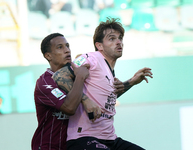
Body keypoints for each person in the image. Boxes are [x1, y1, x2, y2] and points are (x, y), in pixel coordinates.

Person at [53, 18, 153, 150]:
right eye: (112, 39)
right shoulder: (91, 58)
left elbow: (108, 99)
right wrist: (86, 100)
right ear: (99, 45)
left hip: (110, 139)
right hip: (83, 138)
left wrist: (132, 82)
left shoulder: (108, 69)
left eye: (120, 38)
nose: (119, 42)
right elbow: (59, 76)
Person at [31, 33, 102, 150]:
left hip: (74, 146)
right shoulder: (45, 83)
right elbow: (69, 108)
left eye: (67, 46)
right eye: (60, 47)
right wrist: (80, 77)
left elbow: (99, 101)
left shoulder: (77, 75)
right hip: (48, 146)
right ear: (48, 56)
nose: (67, 50)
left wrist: (129, 83)